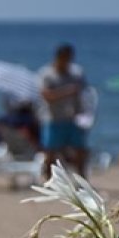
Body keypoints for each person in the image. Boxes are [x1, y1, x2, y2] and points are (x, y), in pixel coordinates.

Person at [38, 43, 89, 178]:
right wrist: (68, 91)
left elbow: (84, 93)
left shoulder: (76, 73)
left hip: (73, 118)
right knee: (50, 152)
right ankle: (48, 179)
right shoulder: (47, 74)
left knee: (80, 150)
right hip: (53, 118)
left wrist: (83, 113)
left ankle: (81, 179)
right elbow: (46, 95)